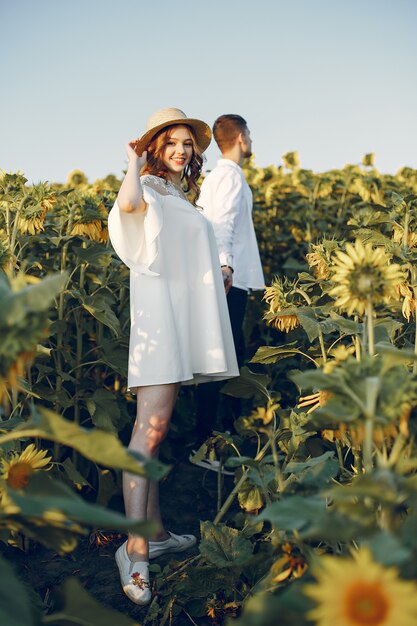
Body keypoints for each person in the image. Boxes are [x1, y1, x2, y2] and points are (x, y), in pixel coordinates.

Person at [108, 108, 239, 605]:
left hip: (177, 321)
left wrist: (216, 271)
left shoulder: (176, 193)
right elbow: (126, 209)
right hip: (159, 325)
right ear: (155, 147)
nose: (182, 149)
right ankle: (134, 550)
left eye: (188, 143)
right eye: (172, 142)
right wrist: (132, 164)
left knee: (157, 429)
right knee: (150, 432)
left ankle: (156, 534)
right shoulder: (145, 187)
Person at [192, 114, 265, 466]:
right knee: (225, 363)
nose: (252, 140)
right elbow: (223, 222)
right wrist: (226, 265)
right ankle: (210, 447)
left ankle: (211, 444)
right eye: (249, 134)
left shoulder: (216, 177)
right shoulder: (231, 176)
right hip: (230, 281)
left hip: (225, 277)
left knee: (222, 360)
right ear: (240, 137)